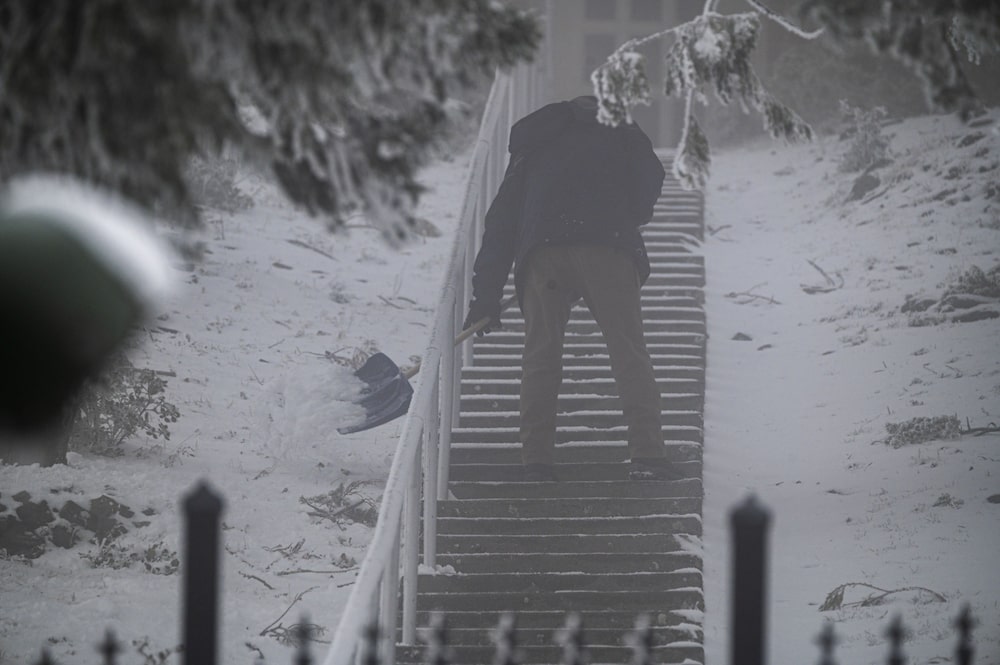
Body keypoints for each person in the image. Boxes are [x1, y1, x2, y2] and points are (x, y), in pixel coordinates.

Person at [464, 95, 675, 482]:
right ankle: (648, 454)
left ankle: (537, 461)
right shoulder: (622, 132)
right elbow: (651, 179)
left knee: (541, 358)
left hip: (545, 252)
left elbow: (502, 221)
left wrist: (486, 297)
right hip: (608, 246)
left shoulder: (535, 143)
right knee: (628, 352)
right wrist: (629, 215)